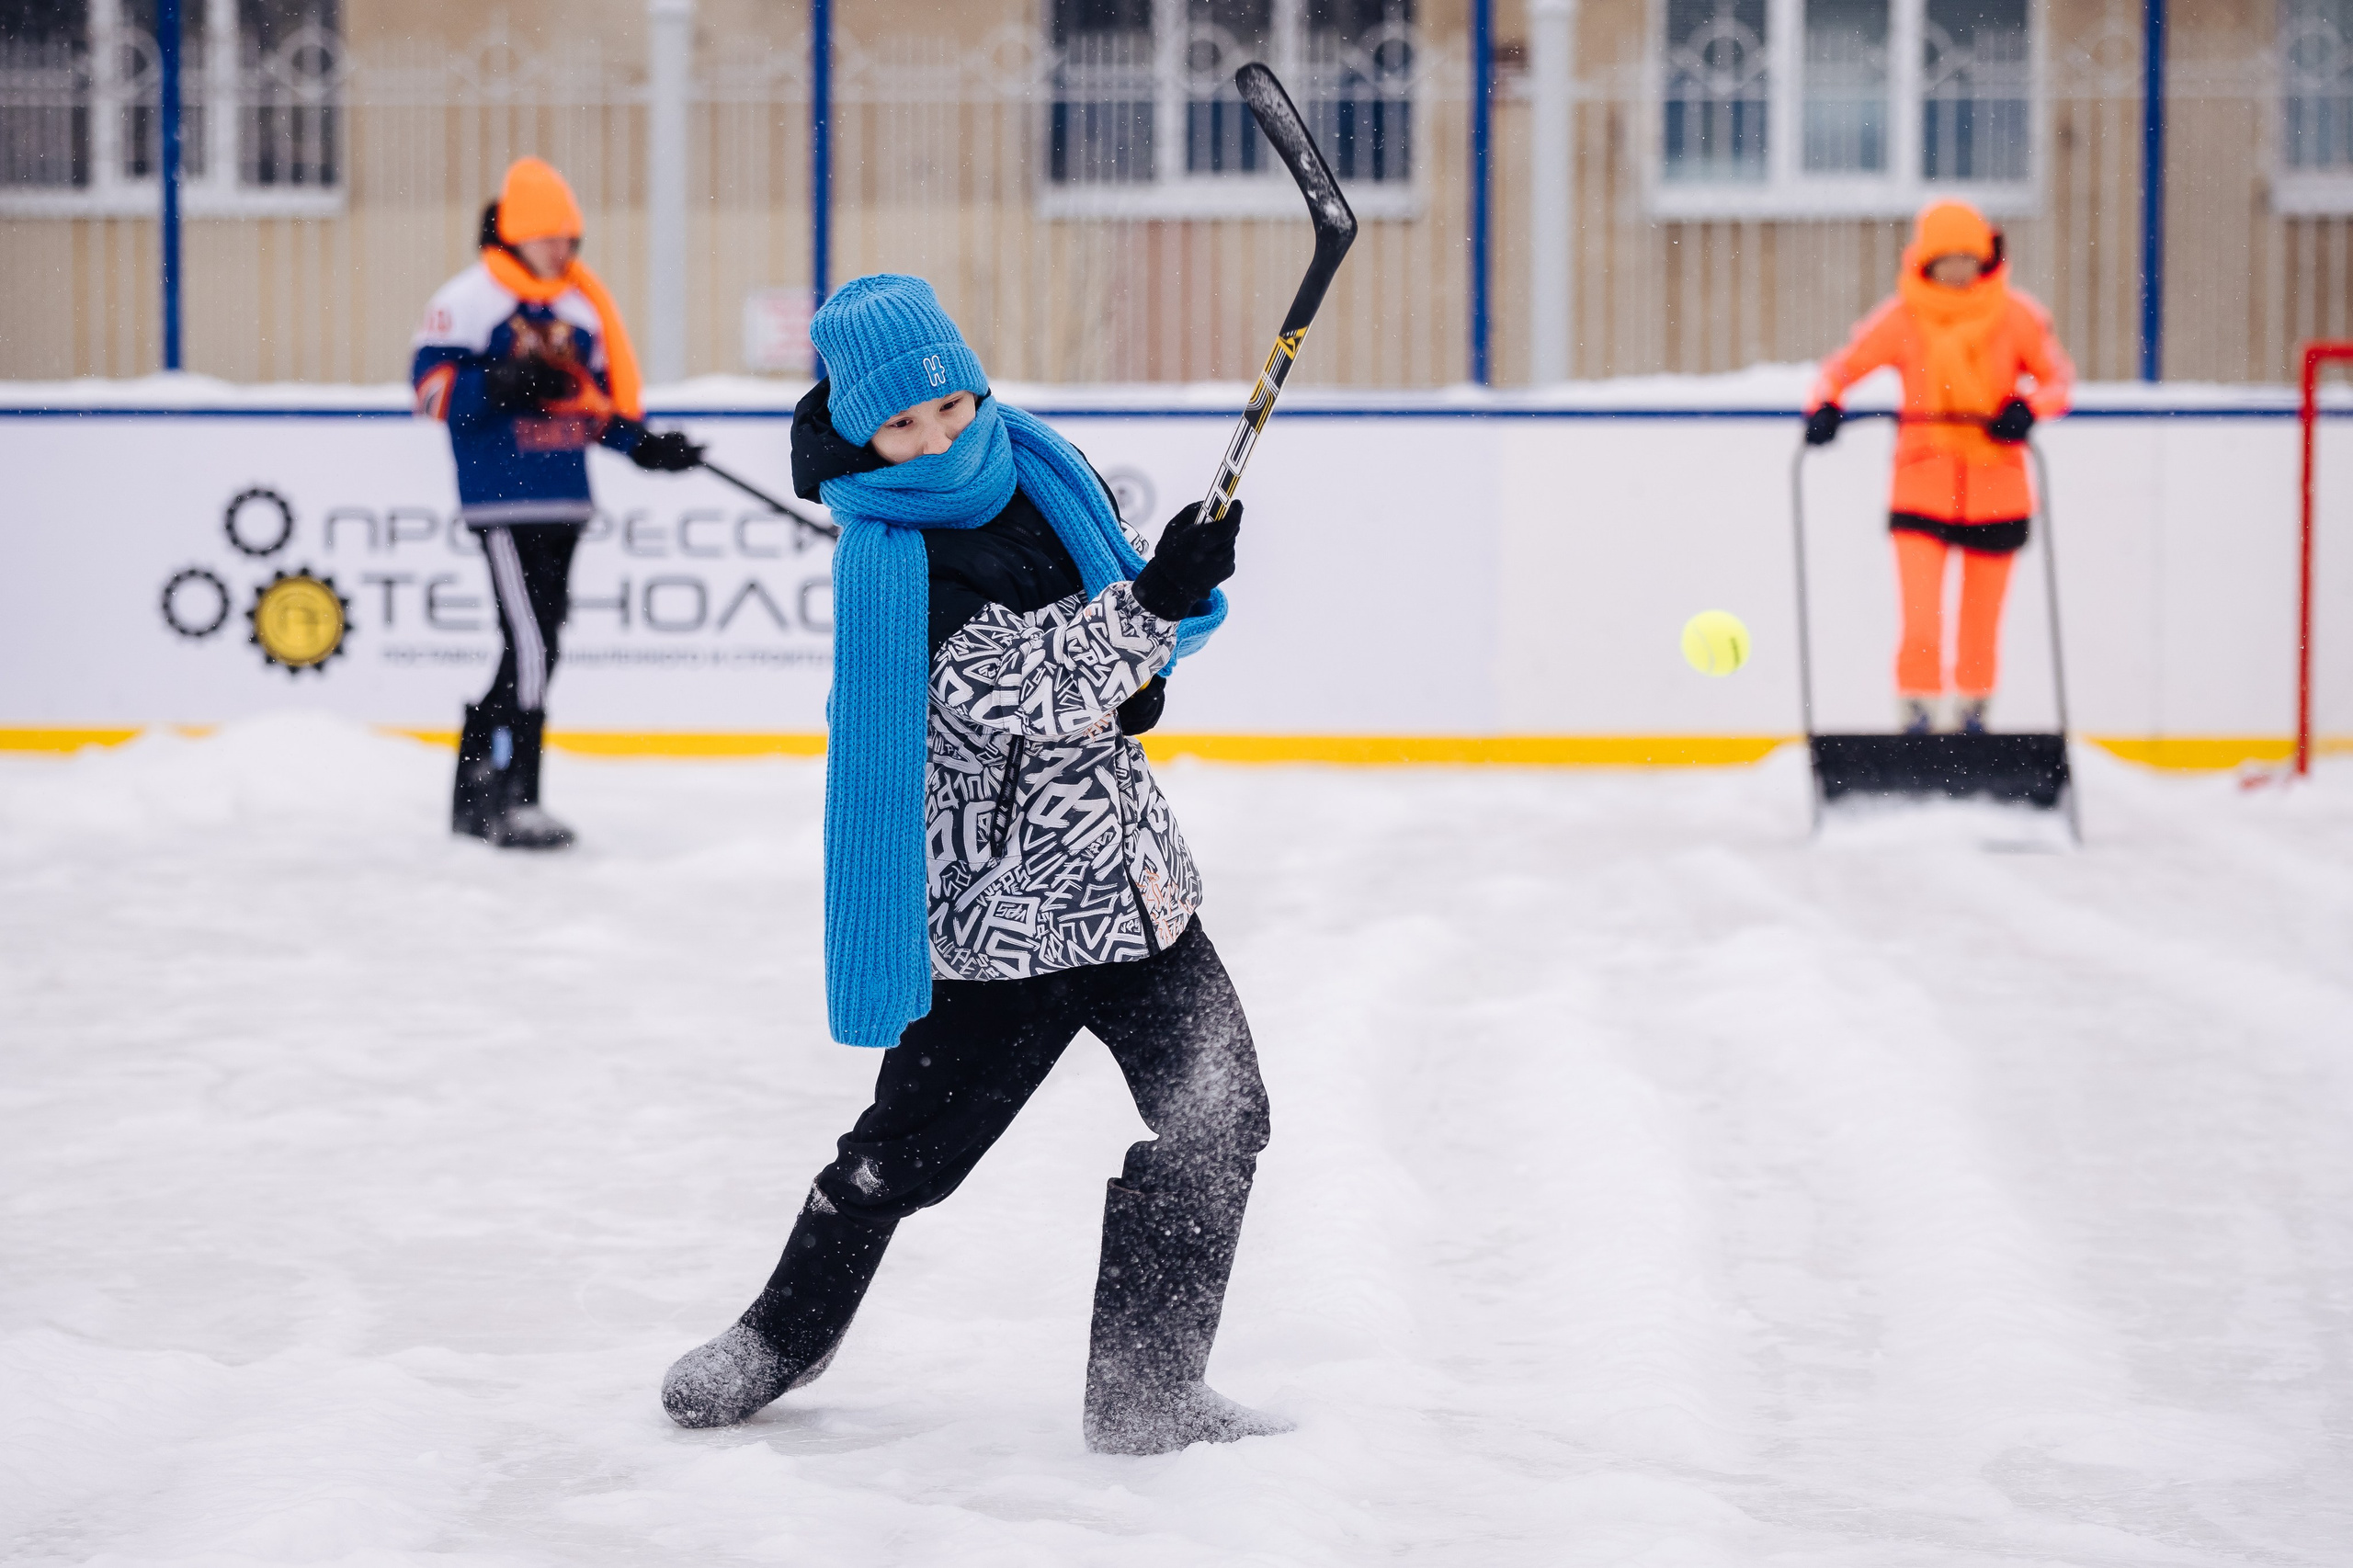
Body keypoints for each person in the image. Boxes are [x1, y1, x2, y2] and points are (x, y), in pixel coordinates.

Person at [658, 274, 1287, 1457]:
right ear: (860, 434)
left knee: (1222, 1116)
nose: (937, 438)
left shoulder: (1045, 474)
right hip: (1005, 924)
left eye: (949, 405)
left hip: (1132, 888)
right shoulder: (897, 558)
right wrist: (1149, 603)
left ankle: (1148, 1389)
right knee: (899, 1157)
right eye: (902, 425)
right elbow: (1018, 686)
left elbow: (1120, 673)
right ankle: (783, 1332)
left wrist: (1165, 594)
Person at [411, 156, 706, 849]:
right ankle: (519, 795)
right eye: (550, 238)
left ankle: (476, 780)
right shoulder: (470, 299)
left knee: (540, 644)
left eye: (570, 240)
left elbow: (592, 407)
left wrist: (649, 448)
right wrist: (500, 380)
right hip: (501, 501)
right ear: (515, 234)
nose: (564, 252)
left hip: (565, 497)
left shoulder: (580, 309)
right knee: (533, 644)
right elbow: (430, 394)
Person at [1803, 199, 2075, 735]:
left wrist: (2027, 409)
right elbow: (1840, 368)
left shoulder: (2016, 317)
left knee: (1981, 622)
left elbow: (2058, 381)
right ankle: (1918, 716)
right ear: (1924, 262)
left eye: (1967, 258)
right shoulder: (1902, 318)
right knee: (1921, 618)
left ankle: (1973, 718)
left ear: (1986, 259)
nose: (1957, 270)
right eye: (1945, 259)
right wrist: (1826, 407)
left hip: (1998, 488)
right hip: (1921, 485)